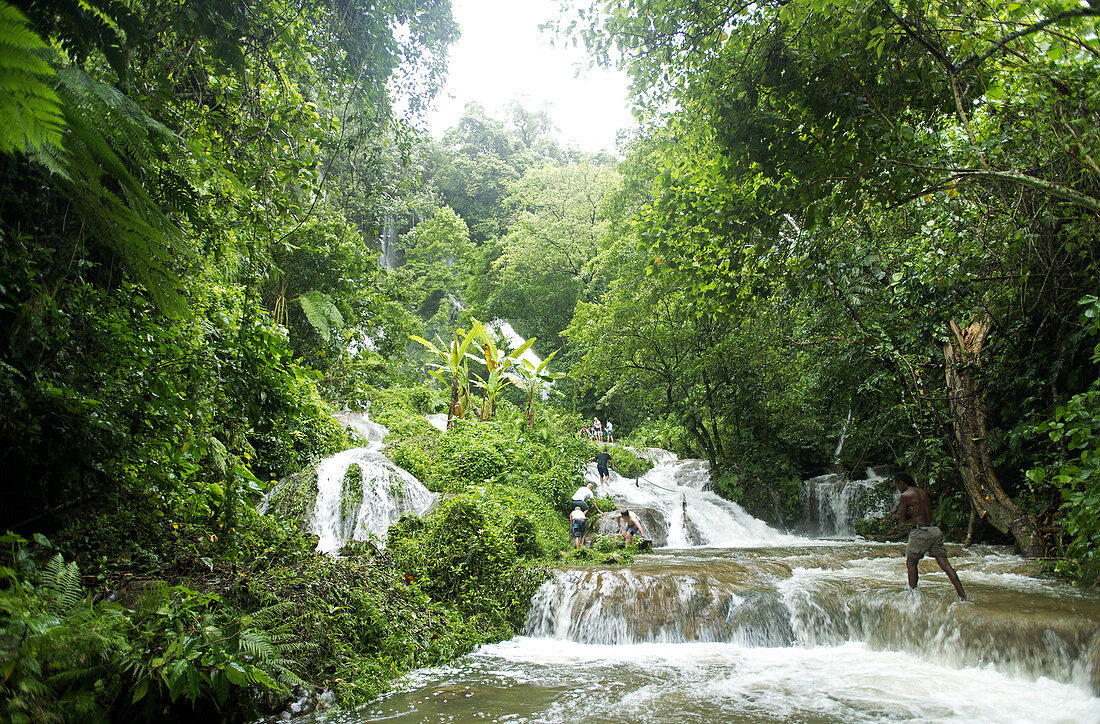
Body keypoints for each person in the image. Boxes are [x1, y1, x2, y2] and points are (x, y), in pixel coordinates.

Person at [894, 471, 967, 600]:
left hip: (920, 532)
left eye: (897, 485)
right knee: (945, 565)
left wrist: (908, 514)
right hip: (934, 530)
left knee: (911, 563)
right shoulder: (922, 492)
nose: (898, 488)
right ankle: (963, 596)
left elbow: (902, 519)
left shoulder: (905, 495)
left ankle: (913, 597)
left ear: (902, 482)